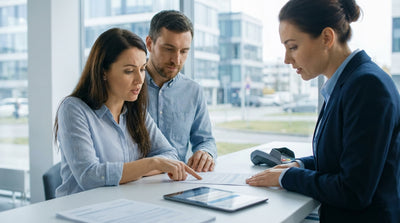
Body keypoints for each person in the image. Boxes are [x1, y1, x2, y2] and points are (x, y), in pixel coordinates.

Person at [246, 0, 400, 222]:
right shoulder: (347, 82)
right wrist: (299, 164)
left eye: (293, 47)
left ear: (327, 38)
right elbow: (342, 158)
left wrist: (288, 177)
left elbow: (353, 191)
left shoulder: (367, 85)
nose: (286, 59)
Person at [54, 28, 201, 197]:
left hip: (125, 203)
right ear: (103, 72)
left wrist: (131, 172)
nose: (139, 80)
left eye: (143, 69)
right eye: (129, 71)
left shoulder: (135, 109)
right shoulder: (73, 109)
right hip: (81, 209)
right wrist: (150, 164)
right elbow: (89, 176)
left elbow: (170, 155)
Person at [145, 10, 217, 172]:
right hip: (134, 182)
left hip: (176, 182)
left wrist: (205, 152)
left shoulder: (193, 91)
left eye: (184, 51)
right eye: (169, 49)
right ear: (150, 44)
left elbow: (205, 139)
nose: (176, 60)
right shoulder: (128, 86)